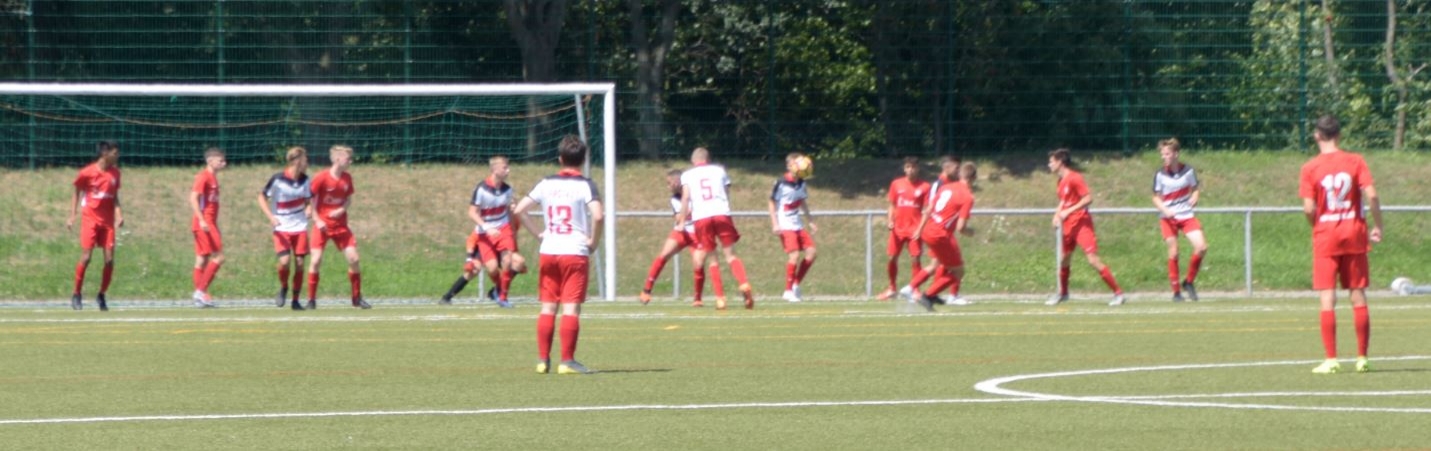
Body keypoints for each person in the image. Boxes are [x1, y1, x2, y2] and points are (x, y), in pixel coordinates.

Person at [511, 135, 604, 375]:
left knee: (548, 307)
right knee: (570, 309)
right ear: (583, 160)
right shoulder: (585, 185)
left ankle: (543, 360)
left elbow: (519, 210)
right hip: (574, 251)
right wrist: (593, 242)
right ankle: (567, 361)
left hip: (549, 250)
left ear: (560, 159)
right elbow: (598, 215)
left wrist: (539, 234)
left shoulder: (546, 183)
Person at [1300, 115, 1382, 374]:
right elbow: (1372, 195)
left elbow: (1308, 207)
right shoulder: (1355, 161)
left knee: (1327, 296)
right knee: (1357, 294)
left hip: (1326, 235)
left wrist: (1316, 224)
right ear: (1339, 135)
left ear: (1317, 135)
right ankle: (1362, 357)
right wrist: (1378, 225)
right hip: (1354, 232)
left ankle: (1331, 359)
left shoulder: (1310, 167)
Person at [441, 156, 528, 307]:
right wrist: (486, 227)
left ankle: (502, 296)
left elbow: (509, 211)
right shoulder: (481, 189)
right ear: (494, 169)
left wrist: (512, 228)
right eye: (505, 167)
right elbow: (472, 212)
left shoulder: (508, 190)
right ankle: (449, 296)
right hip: (485, 234)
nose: (508, 170)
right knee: (490, 268)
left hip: (503, 229)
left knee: (512, 261)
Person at [676, 147, 755, 310]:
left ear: (693, 161)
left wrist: (682, 220)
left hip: (701, 217)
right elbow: (726, 192)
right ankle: (744, 283)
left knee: (713, 259)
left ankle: (720, 298)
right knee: (731, 255)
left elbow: (685, 198)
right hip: (721, 213)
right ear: (708, 159)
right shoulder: (719, 170)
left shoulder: (687, 175)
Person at [1046, 148, 1125, 307]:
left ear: (1060, 162)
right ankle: (1063, 293)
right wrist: (1057, 214)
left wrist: (1068, 211)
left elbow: (1088, 198)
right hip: (1068, 225)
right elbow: (1063, 201)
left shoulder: (1075, 178)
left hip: (1081, 223)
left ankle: (1118, 293)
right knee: (1064, 259)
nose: (1049, 165)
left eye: (1051, 162)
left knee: (1092, 260)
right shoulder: (1060, 182)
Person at [638, 169, 726, 306]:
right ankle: (646, 290)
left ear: (676, 182)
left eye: (669, 183)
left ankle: (697, 298)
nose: (668, 187)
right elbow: (679, 218)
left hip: (698, 233)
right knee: (664, 254)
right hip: (682, 231)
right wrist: (690, 212)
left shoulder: (695, 194)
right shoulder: (675, 199)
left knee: (698, 263)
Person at [902, 156, 974, 311]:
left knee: (935, 264)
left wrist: (920, 229)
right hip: (940, 234)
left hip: (930, 229)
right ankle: (929, 295)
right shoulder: (967, 196)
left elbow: (929, 209)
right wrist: (971, 232)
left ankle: (911, 288)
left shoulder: (946, 187)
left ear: (960, 175)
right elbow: (961, 228)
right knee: (958, 271)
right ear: (973, 179)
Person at [306, 145, 370, 309]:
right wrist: (317, 220)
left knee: (354, 259)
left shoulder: (347, 178)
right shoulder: (321, 177)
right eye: (348, 158)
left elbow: (348, 199)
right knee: (315, 260)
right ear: (337, 159)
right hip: (322, 227)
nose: (350, 161)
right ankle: (311, 300)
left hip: (341, 226)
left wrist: (341, 209)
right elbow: (309, 199)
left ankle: (356, 298)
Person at [67, 141, 123, 311]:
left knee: (109, 260)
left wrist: (119, 215)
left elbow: (114, 197)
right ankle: (76, 293)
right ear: (105, 154)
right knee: (86, 257)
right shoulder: (87, 173)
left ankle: (101, 295)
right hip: (90, 220)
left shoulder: (115, 173)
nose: (117, 156)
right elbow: (77, 191)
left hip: (107, 222)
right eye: (115, 153)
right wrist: (72, 215)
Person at [1151, 138, 1207, 302]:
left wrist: (1195, 196)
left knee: (1201, 247)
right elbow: (1155, 197)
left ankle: (1188, 282)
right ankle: (1176, 292)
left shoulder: (1188, 171)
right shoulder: (1160, 174)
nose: (1164, 157)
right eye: (1162, 154)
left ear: (1176, 154)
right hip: (1168, 218)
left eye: (1167, 154)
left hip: (1186, 215)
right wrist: (1165, 210)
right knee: (1174, 251)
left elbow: (1195, 188)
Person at [258, 146, 313, 310]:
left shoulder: (305, 180)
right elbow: (261, 197)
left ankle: (295, 300)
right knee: (284, 261)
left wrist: (309, 208)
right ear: (296, 161)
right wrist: (271, 217)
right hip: (282, 227)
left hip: (300, 226)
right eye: (305, 160)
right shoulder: (278, 179)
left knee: (300, 263)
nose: (307, 163)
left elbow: (308, 200)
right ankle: (283, 287)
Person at [876, 157, 930, 301]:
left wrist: (920, 229)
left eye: (913, 167)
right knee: (892, 257)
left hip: (914, 230)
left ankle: (915, 290)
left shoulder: (925, 187)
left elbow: (927, 210)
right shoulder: (896, 184)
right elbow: (892, 205)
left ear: (918, 168)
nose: (910, 170)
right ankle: (892, 288)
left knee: (915, 259)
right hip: (898, 229)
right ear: (904, 169)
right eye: (908, 167)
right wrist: (890, 221)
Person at [769, 153, 817, 303]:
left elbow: (802, 202)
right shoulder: (781, 183)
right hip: (785, 224)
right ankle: (788, 291)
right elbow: (771, 202)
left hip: (797, 223)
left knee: (811, 252)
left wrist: (810, 220)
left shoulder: (802, 183)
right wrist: (775, 223)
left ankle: (795, 284)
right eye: (795, 163)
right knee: (794, 255)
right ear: (789, 166)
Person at [188, 147, 227, 308]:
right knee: (219, 257)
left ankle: (201, 298)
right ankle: (200, 292)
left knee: (202, 260)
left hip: (209, 222)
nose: (224, 163)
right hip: (205, 223)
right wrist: (202, 220)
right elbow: (193, 198)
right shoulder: (203, 176)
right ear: (210, 161)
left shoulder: (213, 178)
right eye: (220, 160)